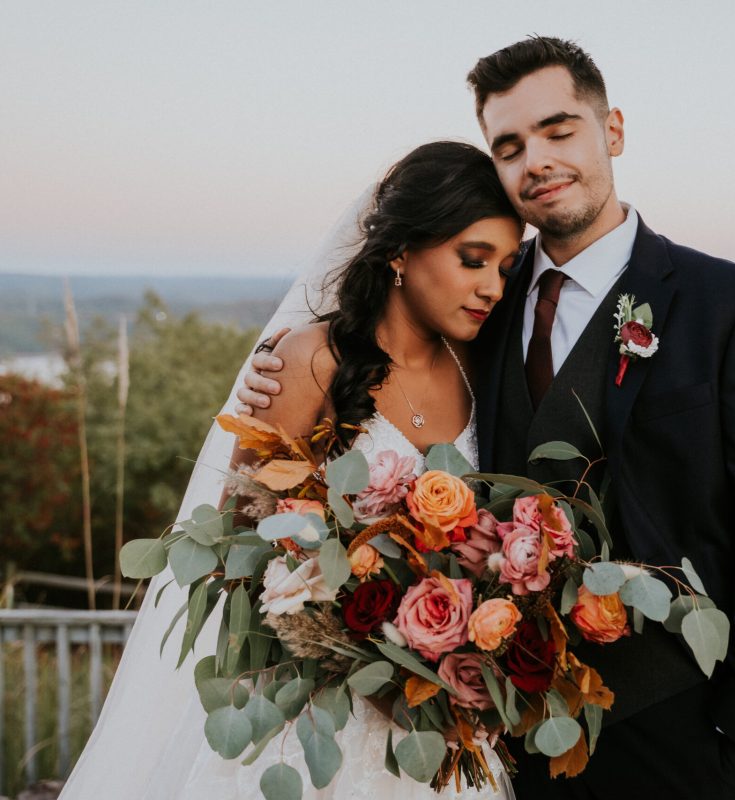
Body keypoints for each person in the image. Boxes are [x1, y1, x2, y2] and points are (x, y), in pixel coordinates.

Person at [241, 37, 735, 799]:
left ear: (611, 131)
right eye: (511, 145)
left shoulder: (732, 305)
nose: (537, 161)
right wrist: (302, 363)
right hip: (492, 728)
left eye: (560, 130)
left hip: (679, 730)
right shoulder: (480, 299)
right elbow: (387, 362)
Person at [61, 141, 522, 799]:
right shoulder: (309, 362)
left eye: (505, 267)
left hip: (445, 727)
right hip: (318, 725)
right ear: (400, 251)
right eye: (473, 260)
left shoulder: (479, 369)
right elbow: (240, 559)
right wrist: (373, 666)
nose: (492, 287)